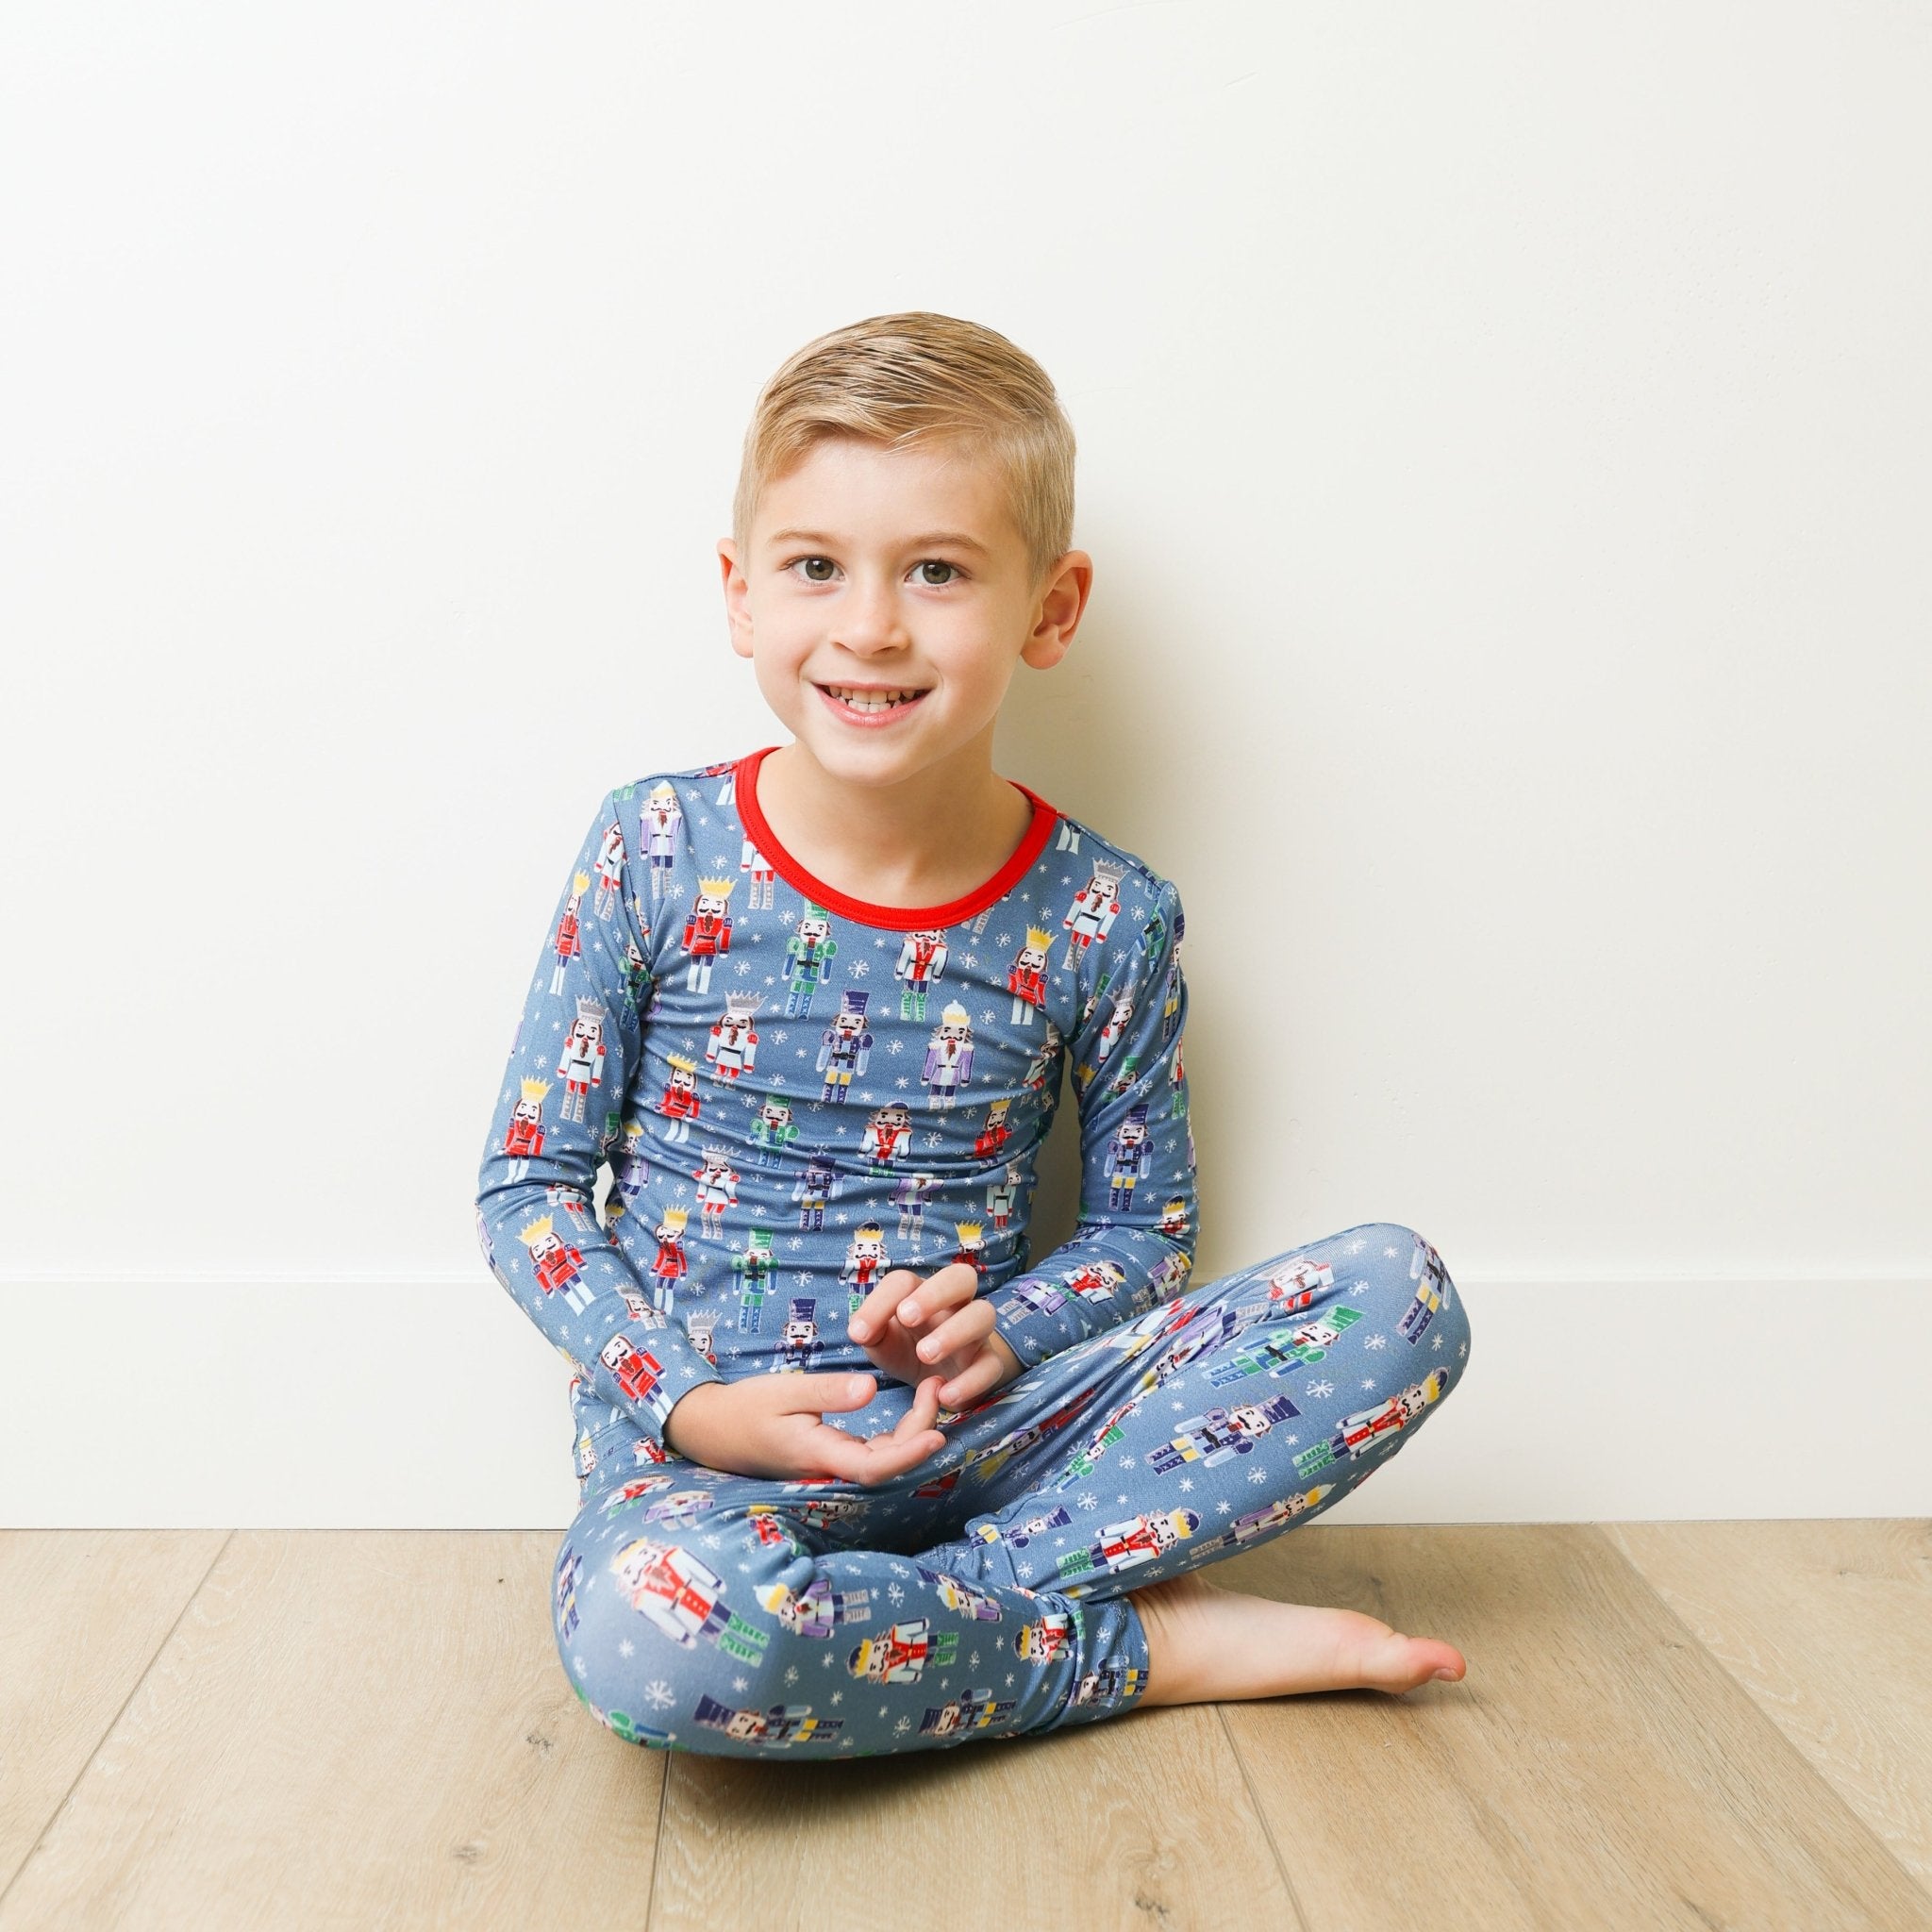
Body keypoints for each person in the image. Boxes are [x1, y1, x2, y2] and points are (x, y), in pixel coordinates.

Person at [474, 311, 1473, 1760]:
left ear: (1049, 611)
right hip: (718, 1470)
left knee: (1401, 1298)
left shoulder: (1106, 916)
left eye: (935, 571)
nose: (871, 626)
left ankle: (939, 1606)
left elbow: (1141, 1237)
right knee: (656, 1637)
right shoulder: (656, 849)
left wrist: (1005, 1328)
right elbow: (530, 1190)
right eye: (817, 567)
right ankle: (1139, 1644)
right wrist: (687, 1408)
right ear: (742, 594)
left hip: (1001, 1443)